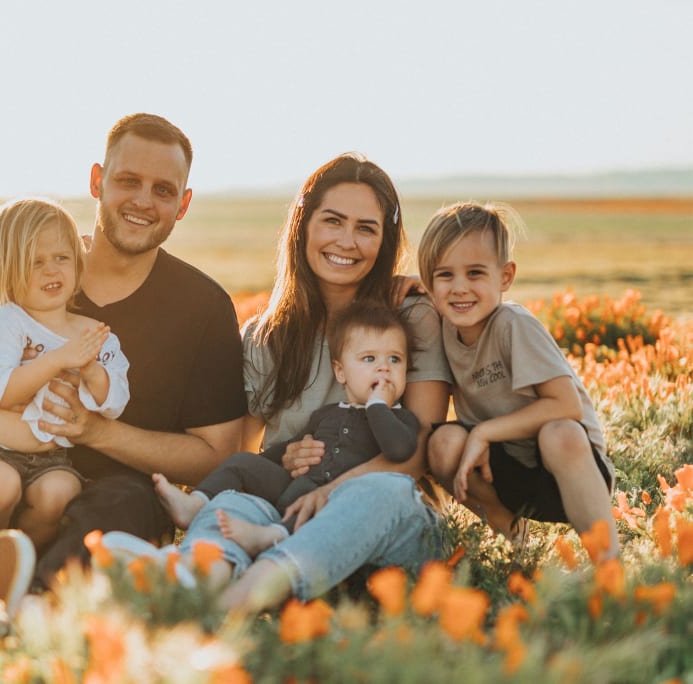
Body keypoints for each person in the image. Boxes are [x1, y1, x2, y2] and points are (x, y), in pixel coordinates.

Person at [0, 114, 247, 618]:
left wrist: (95, 432)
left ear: (183, 205)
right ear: (97, 181)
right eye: (128, 181)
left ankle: (25, 606)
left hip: (100, 510)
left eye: (163, 190)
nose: (144, 201)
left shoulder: (202, 306)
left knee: (125, 504)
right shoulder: (23, 267)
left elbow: (214, 455)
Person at [104, 152, 452, 612]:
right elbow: (237, 454)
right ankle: (194, 578)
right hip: (287, 514)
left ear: (384, 240)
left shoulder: (409, 317)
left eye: (366, 228)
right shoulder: (267, 336)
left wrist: (332, 490)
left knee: (378, 491)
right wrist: (282, 458)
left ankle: (238, 601)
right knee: (235, 501)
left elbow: (419, 454)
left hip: (388, 525)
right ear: (303, 225)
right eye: (332, 221)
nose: (346, 241)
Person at [417, 201, 618, 558]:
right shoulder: (443, 327)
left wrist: (483, 432)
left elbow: (566, 406)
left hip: (568, 470)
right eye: (445, 275)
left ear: (505, 277)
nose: (459, 288)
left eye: (476, 273)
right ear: (430, 282)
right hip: (505, 472)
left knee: (560, 432)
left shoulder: (514, 325)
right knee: (442, 442)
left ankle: (608, 564)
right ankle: (516, 542)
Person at [153, 300, 420, 557]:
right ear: (341, 372)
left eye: (395, 359)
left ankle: (271, 536)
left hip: (336, 501)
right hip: (294, 486)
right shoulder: (327, 414)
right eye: (369, 358)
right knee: (242, 462)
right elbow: (287, 447)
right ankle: (195, 504)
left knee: (315, 508)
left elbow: (398, 450)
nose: (384, 368)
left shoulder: (402, 421)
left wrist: (377, 406)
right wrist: (269, 462)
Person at [0, 197, 130, 551]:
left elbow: (115, 402)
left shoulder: (93, 332)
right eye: (35, 262)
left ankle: (17, 564)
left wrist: (92, 372)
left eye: (61, 258)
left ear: (78, 264)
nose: (51, 271)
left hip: (52, 459)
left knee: (61, 493)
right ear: (7, 271)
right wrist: (58, 359)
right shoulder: (9, 321)